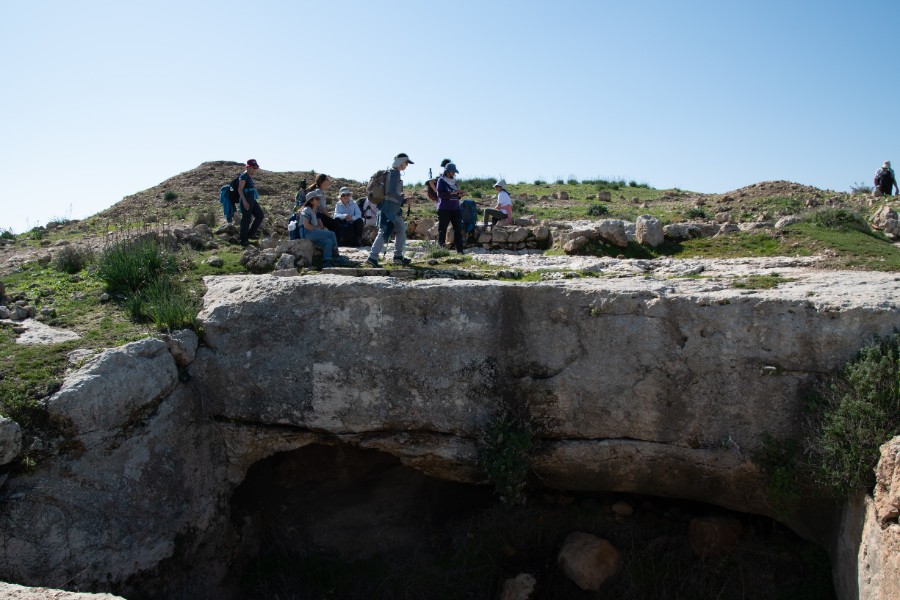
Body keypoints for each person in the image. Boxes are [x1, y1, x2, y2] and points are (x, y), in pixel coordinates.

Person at [366, 153, 414, 268]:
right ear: (401, 162)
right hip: (389, 208)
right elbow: (391, 192)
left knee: (401, 228)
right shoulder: (394, 174)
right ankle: (372, 257)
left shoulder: (392, 173)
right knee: (384, 231)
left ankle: (398, 257)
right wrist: (404, 200)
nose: (407, 165)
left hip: (392, 208)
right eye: (406, 163)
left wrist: (402, 199)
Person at [300, 191, 352, 268]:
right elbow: (306, 225)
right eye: (317, 199)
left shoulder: (315, 210)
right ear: (311, 201)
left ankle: (326, 260)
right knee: (332, 234)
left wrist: (320, 228)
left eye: (319, 198)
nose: (319, 200)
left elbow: (319, 223)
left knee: (328, 241)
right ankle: (336, 256)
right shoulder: (307, 210)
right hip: (308, 233)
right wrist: (317, 229)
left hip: (313, 233)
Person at [436, 163, 466, 253]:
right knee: (442, 229)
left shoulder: (454, 182)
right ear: (447, 172)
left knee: (458, 229)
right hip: (444, 209)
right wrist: (452, 193)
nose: (454, 173)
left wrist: (460, 195)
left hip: (456, 208)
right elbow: (440, 194)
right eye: (453, 172)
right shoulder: (441, 181)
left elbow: (456, 196)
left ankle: (460, 251)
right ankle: (441, 250)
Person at [238, 159, 265, 246]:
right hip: (246, 199)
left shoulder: (249, 176)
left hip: (252, 199)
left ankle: (249, 234)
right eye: (254, 167)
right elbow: (240, 189)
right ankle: (243, 240)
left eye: (256, 168)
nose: (255, 169)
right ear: (248, 167)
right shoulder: (243, 176)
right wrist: (245, 201)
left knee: (260, 215)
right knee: (246, 219)